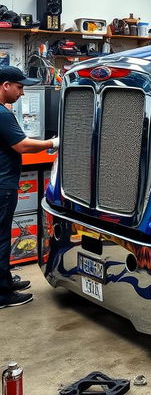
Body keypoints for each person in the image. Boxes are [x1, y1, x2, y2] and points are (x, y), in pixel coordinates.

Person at [0, 66, 58, 308]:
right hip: (3, 186)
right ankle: (3, 295)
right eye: (20, 87)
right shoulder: (2, 113)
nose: (22, 93)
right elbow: (22, 146)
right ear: (5, 85)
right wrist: (52, 142)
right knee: (2, 238)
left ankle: (4, 280)